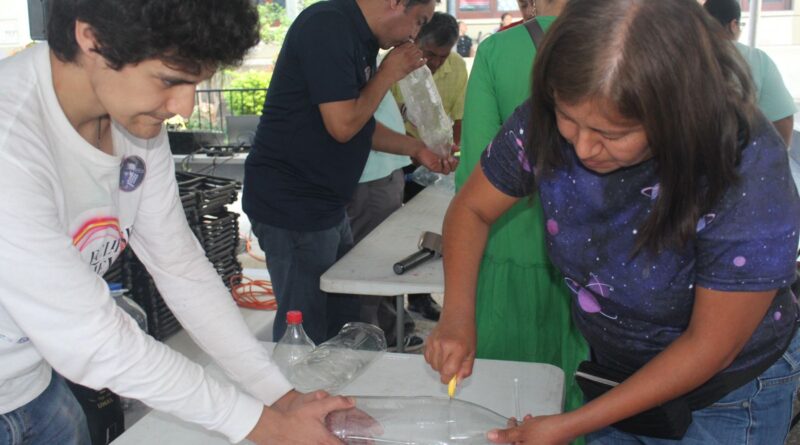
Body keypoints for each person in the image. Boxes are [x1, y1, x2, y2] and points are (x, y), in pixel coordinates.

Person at [426, 0, 800, 443]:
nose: (583, 148)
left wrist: (570, 424)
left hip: (725, 398)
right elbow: (471, 209)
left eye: (613, 135)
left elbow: (710, 346)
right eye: (568, 119)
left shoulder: (742, 166)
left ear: (676, 113)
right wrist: (456, 316)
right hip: (614, 372)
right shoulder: (558, 112)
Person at [0, 0, 355, 444]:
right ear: (91, 38)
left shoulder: (131, 116)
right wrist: (266, 428)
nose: (183, 107)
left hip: (36, 391)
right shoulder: (10, 140)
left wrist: (279, 397)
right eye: (170, 81)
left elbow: (179, 264)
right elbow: (93, 339)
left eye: (195, 83)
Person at [243, 0, 457, 345]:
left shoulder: (359, 38)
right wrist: (388, 73)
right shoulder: (328, 26)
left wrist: (416, 149)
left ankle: (334, 392)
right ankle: (299, 394)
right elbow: (343, 125)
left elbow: (360, 123)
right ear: (396, 3)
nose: (414, 35)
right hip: (294, 206)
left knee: (344, 320)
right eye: (417, 22)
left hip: (328, 205)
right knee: (306, 326)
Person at [452, 0, 588, 418]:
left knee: (503, 405)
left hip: (508, 249)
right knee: (576, 397)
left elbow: (474, 170)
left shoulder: (497, 51)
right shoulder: (611, 46)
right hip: (590, 267)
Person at [390, 11, 467, 322]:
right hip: (398, 159)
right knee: (394, 235)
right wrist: (412, 151)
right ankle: (392, 307)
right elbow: (387, 115)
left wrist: (451, 152)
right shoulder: (397, 62)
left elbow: (461, 118)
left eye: (442, 56)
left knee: (430, 232)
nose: (435, 63)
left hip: (436, 164)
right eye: (430, 54)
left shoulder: (457, 67)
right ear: (416, 40)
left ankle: (420, 298)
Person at [347, 92, 424, 351]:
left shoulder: (365, 58)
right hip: (371, 174)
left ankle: (391, 331)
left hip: (384, 170)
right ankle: (369, 339)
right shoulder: (349, 58)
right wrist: (417, 149)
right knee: (369, 266)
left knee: (383, 261)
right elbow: (359, 124)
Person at [704, 0, 796, 148]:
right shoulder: (757, 59)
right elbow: (783, 119)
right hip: (743, 162)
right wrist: (777, 159)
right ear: (733, 25)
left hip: (686, 163)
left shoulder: (682, 59)